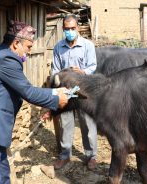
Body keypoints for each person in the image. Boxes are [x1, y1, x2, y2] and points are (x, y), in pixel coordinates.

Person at [0, 20, 68, 184]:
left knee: (3, 178)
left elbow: (24, 88)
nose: (29, 52)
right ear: (16, 43)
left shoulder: (1, 55)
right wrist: (57, 99)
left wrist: (54, 92)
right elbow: (28, 92)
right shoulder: (6, 58)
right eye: (28, 47)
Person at [51, 14, 98, 170]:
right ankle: (65, 156)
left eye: (72, 28)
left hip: (84, 90)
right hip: (66, 91)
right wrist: (64, 73)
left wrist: (83, 72)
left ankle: (91, 156)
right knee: (65, 123)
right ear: (63, 29)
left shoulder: (87, 45)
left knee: (88, 123)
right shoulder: (58, 47)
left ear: (78, 28)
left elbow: (92, 66)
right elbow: (55, 70)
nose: (70, 31)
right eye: (67, 29)